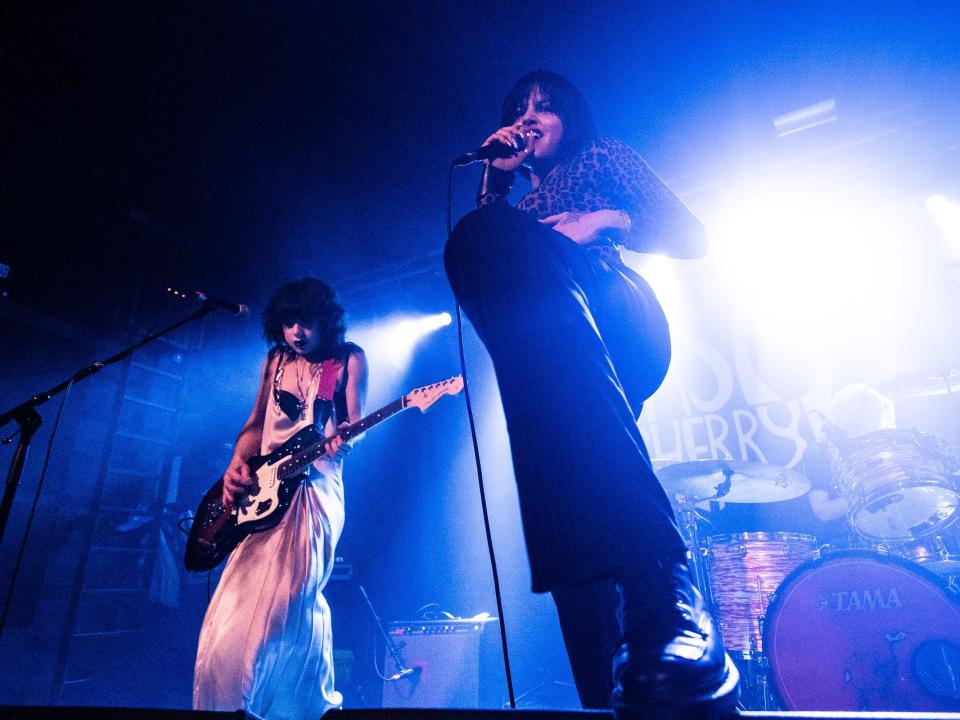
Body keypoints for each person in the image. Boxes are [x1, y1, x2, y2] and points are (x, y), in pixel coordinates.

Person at [444, 71, 738, 719]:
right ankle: (610, 683)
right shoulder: (513, 210)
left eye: (543, 108)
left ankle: (663, 587)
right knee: (563, 463)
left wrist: (601, 219)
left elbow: (692, 236)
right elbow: (491, 266)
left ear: (570, 118)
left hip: (615, 307)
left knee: (570, 452)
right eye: (517, 109)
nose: (528, 117)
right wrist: (495, 179)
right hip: (554, 334)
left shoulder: (604, 158)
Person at [193, 278, 368, 720]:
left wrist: (341, 440)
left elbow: (353, 424)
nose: (297, 332)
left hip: (315, 490)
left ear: (325, 322)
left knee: (290, 597)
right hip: (263, 491)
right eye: (289, 323)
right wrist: (237, 460)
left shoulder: (347, 360)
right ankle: (252, 703)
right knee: (241, 598)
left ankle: (266, 703)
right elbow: (256, 424)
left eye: (306, 323)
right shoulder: (274, 360)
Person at [803, 383, 897, 545]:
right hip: (845, 545)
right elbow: (823, 511)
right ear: (857, 416)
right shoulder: (819, 453)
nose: (878, 423)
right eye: (874, 417)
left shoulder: (878, 452)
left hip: (887, 539)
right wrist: (870, 490)